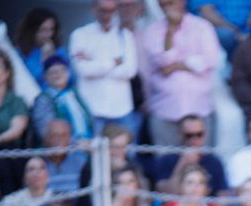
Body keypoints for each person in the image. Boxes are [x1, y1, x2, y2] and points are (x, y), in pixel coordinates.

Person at [138, 0, 221, 147]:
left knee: (201, 162)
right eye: (163, 4)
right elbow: (163, 63)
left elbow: (210, 60)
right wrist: (170, 31)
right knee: (166, 162)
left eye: (170, 2)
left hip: (199, 108)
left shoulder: (202, 27)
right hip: (164, 107)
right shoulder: (152, 31)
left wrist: (178, 64)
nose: (167, 7)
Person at [70, 0, 139, 136]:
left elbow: (130, 71)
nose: (107, 15)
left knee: (127, 154)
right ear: (93, 9)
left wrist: (95, 63)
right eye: (103, 10)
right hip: (92, 108)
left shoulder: (126, 36)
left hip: (122, 108)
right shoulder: (80, 35)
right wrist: (114, 62)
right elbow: (83, 70)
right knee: (94, 155)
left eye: (111, 10)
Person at [29, 53, 93, 140]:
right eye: (53, 72)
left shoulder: (74, 93)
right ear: (45, 77)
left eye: (62, 70)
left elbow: (89, 120)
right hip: (64, 148)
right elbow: (46, 132)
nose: (58, 74)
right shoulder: (43, 99)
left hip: (87, 143)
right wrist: (75, 143)